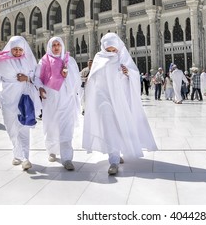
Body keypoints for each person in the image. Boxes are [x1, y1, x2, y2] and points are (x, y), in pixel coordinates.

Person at [82, 33, 157, 175]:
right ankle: (114, 160)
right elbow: (93, 79)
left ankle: (117, 151)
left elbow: (135, 76)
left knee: (119, 126)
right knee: (109, 126)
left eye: (113, 50)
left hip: (120, 99)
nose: (111, 53)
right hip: (103, 99)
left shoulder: (123, 57)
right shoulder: (99, 58)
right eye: (108, 50)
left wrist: (127, 72)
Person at [0, 36, 40, 171]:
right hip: (8, 100)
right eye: (15, 49)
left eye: (19, 49)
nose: (17, 52)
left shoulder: (28, 62)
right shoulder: (3, 63)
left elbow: (37, 78)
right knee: (11, 129)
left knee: (24, 128)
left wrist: (27, 78)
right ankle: (17, 154)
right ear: (10, 49)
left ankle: (25, 158)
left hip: (24, 99)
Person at [35, 37, 81, 171]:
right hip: (50, 99)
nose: (56, 47)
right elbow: (37, 78)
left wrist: (66, 77)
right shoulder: (44, 61)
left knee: (67, 128)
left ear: (62, 46)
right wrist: (40, 88)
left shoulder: (69, 61)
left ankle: (67, 158)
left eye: (58, 45)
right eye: (54, 45)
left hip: (67, 100)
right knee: (51, 126)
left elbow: (77, 80)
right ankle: (52, 150)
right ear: (50, 46)